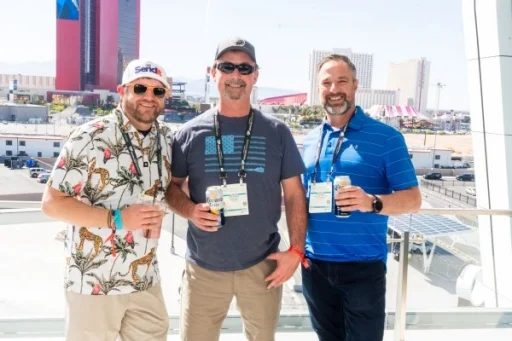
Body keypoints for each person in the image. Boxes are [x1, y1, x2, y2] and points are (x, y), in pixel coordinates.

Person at [166, 37, 308, 341]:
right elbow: (171, 188)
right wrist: (190, 210)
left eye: (244, 68)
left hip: (262, 265)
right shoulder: (188, 133)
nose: (236, 76)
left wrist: (296, 250)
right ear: (212, 72)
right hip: (203, 268)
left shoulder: (278, 132)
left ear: (255, 76)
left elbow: (296, 195)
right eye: (227, 66)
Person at [41, 59, 174, 341]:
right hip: (94, 283)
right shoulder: (90, 136)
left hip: (145, 280)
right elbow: (52, 203)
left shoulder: (167, 140)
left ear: (166, 97)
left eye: (158, 91)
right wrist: (116, 218)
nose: (149, 97)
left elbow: (174, 187)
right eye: (140, 88)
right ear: (122, 90)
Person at [301, 54, 422, 341]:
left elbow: (413, 199)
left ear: (355, 86)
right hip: (315, 265)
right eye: (326, 83)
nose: (334, 89)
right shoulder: (310, 140)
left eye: (341, 81)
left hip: (362, 267)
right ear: (319, 89)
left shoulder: (386, 138)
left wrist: (372, 202)